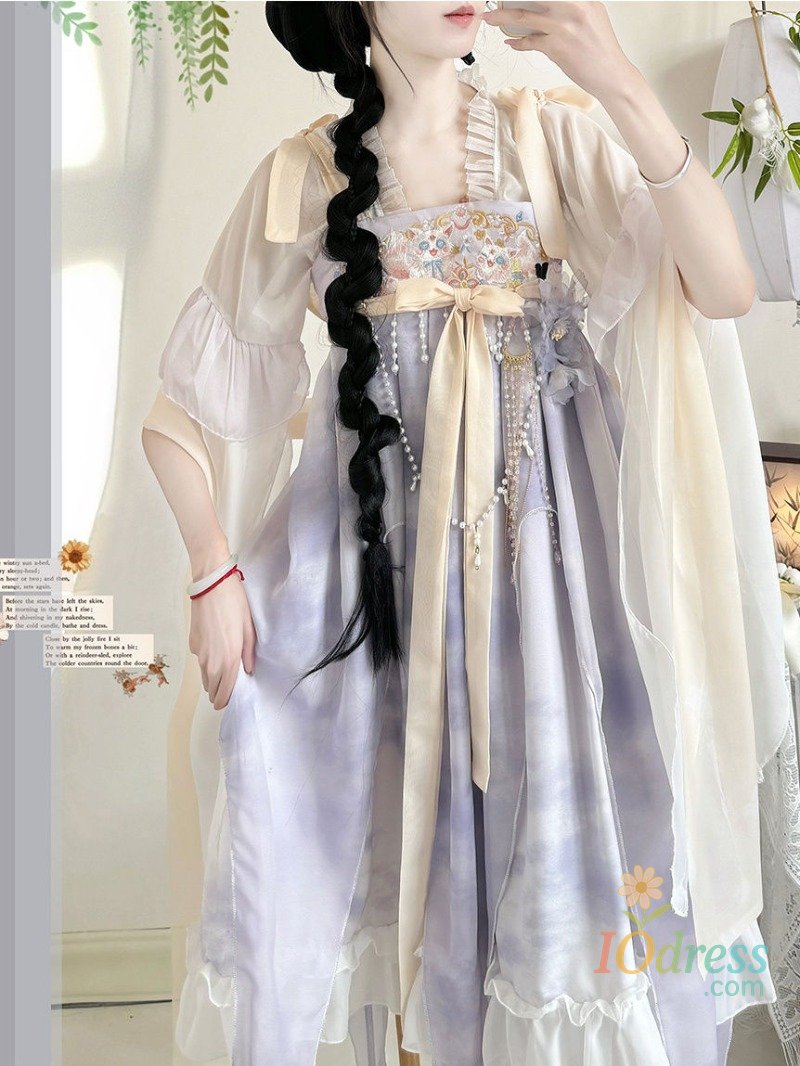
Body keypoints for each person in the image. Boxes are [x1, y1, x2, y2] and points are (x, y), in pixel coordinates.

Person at [141, 3, 791, 1064]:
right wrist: (211, 573)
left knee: (577, 866)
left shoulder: (551, 135)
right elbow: (179, 420)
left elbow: (721, 289)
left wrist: (616, 78)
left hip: (553, 587)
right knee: (324, 805)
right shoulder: (303, 176)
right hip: (373, 585)